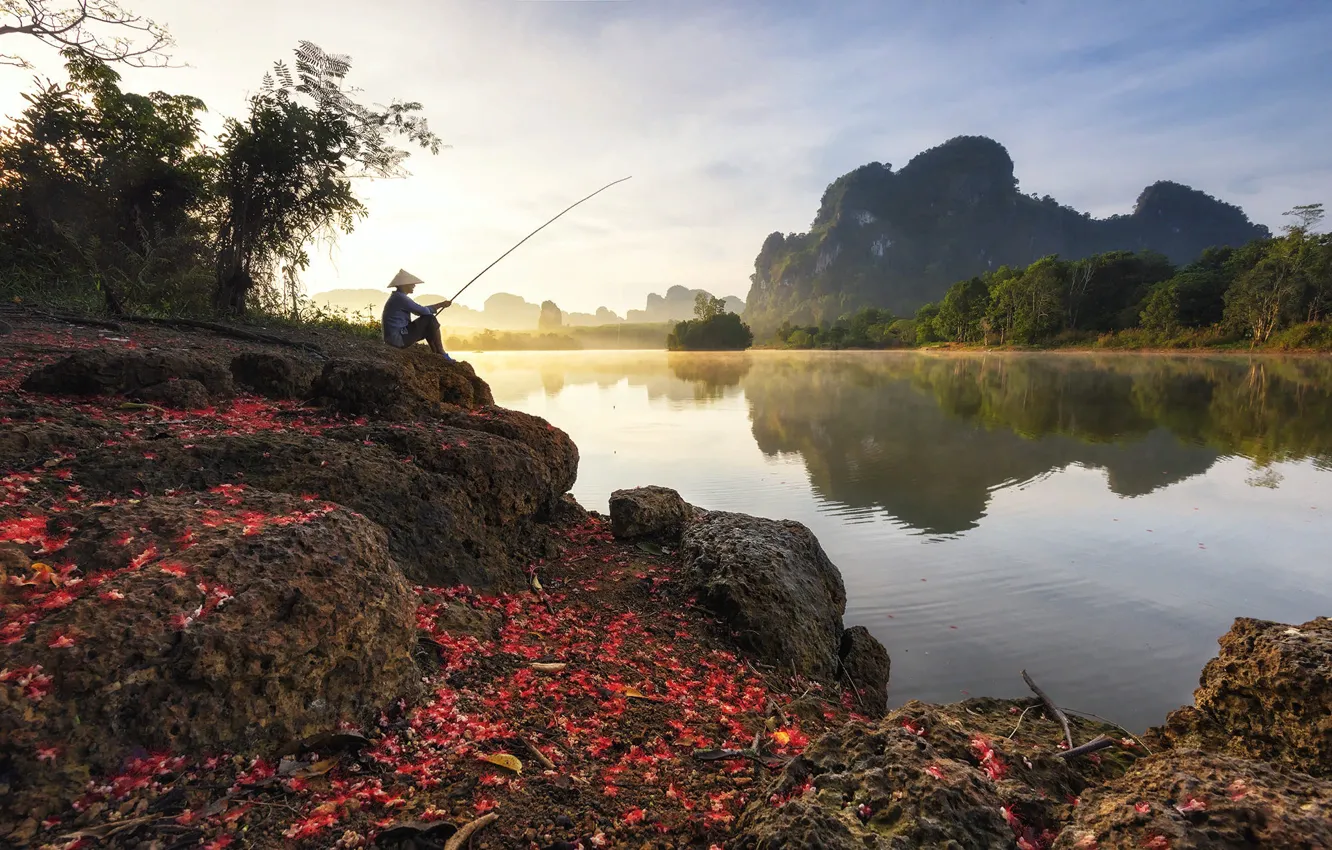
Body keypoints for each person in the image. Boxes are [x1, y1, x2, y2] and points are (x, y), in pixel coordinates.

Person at [382, 269, 453, 360]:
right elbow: (423, 311)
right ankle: (441, 351)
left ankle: (436, 353)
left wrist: (441, 305)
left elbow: (421, 310)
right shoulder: (401, 298)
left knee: (428, 323)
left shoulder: (397, 297)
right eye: (412, 283)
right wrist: (441, 305)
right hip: (397, 339)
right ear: (404, 285)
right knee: (430, 319)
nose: (414, 285)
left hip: (393, 339)